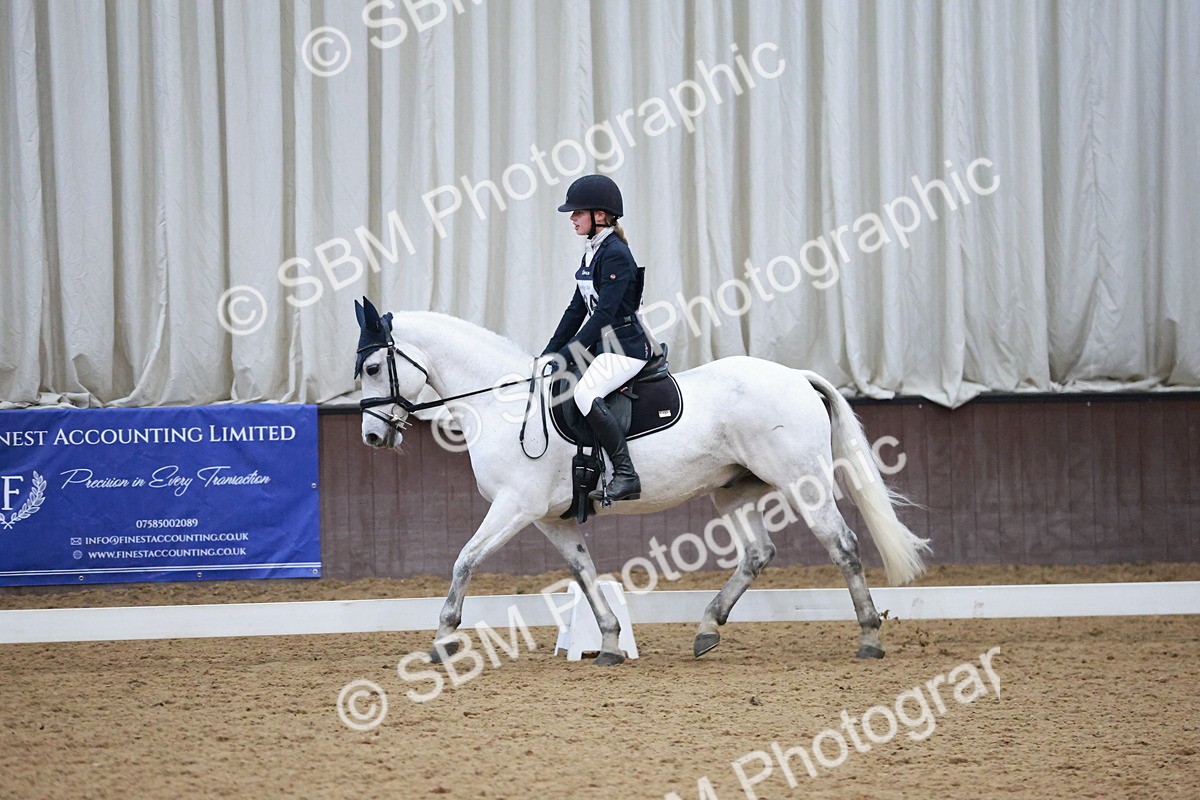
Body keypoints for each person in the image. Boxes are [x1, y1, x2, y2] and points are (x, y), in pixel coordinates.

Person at [542, 174, 653, 502]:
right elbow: (576, 310)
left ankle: (625, 473)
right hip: (606, 346)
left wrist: (569, 354)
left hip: (628, 347)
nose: (572, 218)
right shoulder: (592, 252)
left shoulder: (615, 253)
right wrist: (550, 351)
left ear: (600, 216)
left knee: (586, 393)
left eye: (578, 213)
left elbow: (603, 315)